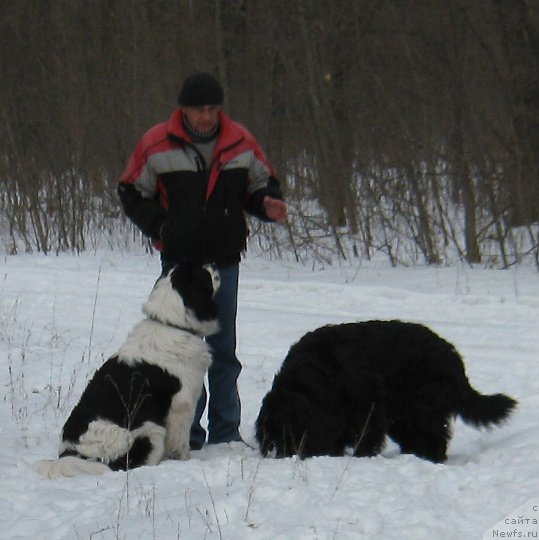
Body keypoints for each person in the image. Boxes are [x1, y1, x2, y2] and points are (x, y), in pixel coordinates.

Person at [118, 71, 287, 449]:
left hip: (224, 260)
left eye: (213, 109)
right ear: (184, 109)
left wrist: (266, 205)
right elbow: (130, 190)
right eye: (199, 110)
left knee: (222, 350)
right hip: (178, 265)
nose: (207, 116)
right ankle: (187, 434)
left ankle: (225, 433)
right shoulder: (156, 143)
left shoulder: (241, 141)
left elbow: (260, 185)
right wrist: (161, 228)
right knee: (180, 350)